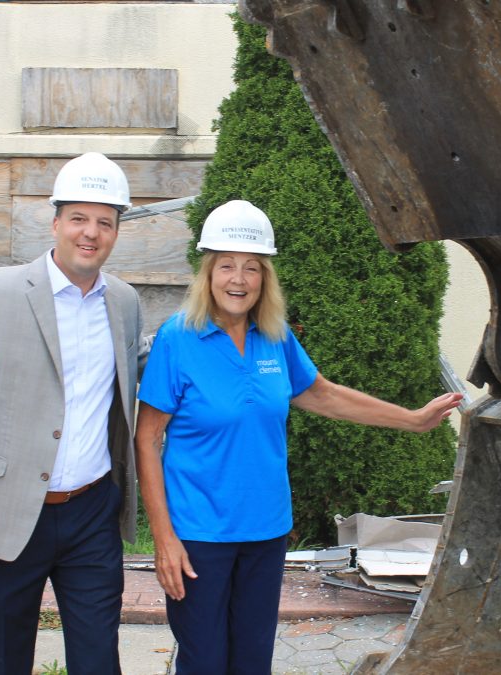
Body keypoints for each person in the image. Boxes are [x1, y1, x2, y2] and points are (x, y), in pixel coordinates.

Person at [134, 199, 462, 674]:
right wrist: (164, 538)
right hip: (199, 536)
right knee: (204, 663)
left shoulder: (275, 336)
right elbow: (146, 441)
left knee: (252, 663)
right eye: (226, 266)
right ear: (207, 272)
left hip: (265, 532)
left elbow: (323, 395)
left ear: (265, 277)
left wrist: (412, 419)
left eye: (251, 268)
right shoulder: (177, 338)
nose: (238, 279)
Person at [0, 152, 144, 675]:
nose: (90, 233)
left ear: (115, 231)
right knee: (3, 660)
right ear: (56, 222)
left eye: (104, 222)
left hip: (92, 514)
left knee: (98, 661)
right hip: (5, 514)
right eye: (79, 218)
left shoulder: (126, 303)